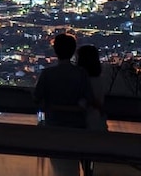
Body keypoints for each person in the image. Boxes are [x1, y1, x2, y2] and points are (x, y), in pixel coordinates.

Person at [33, 33, 93, 176]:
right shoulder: (81, 74)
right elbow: (89, 99)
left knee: (60, 168)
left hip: (54, 126)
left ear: (55, 50)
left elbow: (36, 98)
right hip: (77, 127)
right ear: (73, 51)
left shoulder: (48, 74)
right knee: (74, 167)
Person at [76, 44, 107, 176]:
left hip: (81, 126)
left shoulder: (81, 81)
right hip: (97, 124)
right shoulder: (99, 81)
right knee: (90, 162)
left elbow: (83, 104)